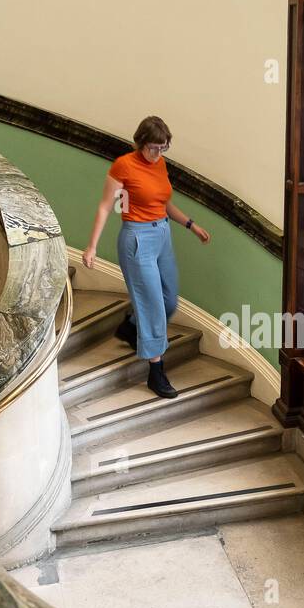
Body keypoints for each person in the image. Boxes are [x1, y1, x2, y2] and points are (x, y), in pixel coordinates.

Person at [83, 116, 210, 398]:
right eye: (153, 148)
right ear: (139, 143)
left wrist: (191, 225)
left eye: (163, 148)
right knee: (153, 305)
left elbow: (163, 204)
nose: (158, 154)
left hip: (162, 235)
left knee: (169, 299)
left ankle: (131, 327)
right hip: (137, 239)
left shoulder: (160, 164)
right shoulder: (123, 166)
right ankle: (156, 371)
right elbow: (105, 207)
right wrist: (91, 247)